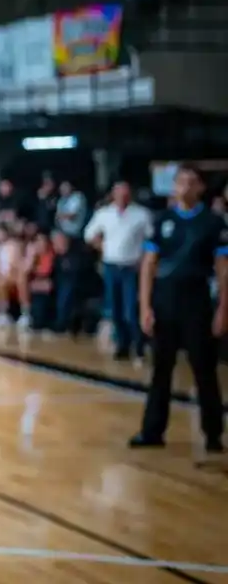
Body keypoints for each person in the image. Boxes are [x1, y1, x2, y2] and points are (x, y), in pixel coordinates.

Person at [132, 164, 226, 454]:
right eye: (180, 181)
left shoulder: (213, 223)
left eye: (191, 182)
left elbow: (223, 270)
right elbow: (149, 265)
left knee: (204, 369)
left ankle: (213, 433)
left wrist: (223, 309)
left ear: (200, 188)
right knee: (161, 369)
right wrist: (145, 306)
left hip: (196, 301)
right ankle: (152, 431)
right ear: (173, 186)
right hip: (164, 300)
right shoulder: (162, 220)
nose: (185, 187)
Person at [83, 181, 152, 361]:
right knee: (115, 309)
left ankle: (139, 345)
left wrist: (144, 259)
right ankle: (122, 345)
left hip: (131, 267)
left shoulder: (141, 214)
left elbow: (151, 238)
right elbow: (88, 234)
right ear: (113, 195)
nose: (122, 197)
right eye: (119, 194)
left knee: (131, 309)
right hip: (111, 266)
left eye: (126, 194)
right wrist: (102, 246)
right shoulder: (104, 213)